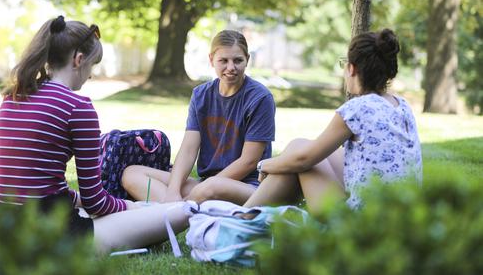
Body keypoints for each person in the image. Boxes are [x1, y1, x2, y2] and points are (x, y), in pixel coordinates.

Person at [0, 16, 189, 253]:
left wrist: (75, 200)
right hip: (52, 233)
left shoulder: (12, 97)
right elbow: (95, 201)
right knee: (181, 212)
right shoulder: (78, 107)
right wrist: (129, 206)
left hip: (5, 227)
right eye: (92, 65)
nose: (91, 75)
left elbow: (33, 182)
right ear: (78, 60)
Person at [244, 28, 422, 212]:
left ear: (351, 68)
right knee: (302, 146)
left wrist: (265, 165)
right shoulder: (402, 106)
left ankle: (242, 218)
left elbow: (303, 160)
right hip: (403, 217)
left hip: (362, 223)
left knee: (299, 151)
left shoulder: (355, 109)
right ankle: (248, 213)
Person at [122, 30, 276, 205]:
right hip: (206, 183)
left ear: (247, 59)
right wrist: (173, 190)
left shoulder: (260, 98)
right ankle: (178, 205)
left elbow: (248, 162)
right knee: (132, 173)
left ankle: (179, 211)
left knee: (211, 188)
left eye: (238, 60)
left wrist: (205, 188)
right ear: (211, 60)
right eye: (223, 60)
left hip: (247, 188)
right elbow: (188, 149)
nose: (231, 67)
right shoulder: (201, 94)